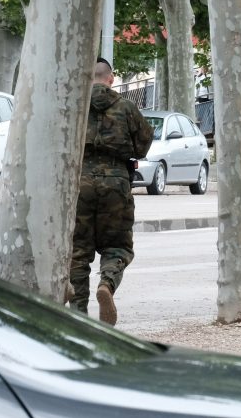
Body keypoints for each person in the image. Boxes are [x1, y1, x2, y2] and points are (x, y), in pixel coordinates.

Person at [69, 57, 153, 325]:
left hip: (79, 183)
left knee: (77, 252)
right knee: (117, 246)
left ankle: (78, 314)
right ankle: (107, 283)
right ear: (111, 78)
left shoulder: (73, 109)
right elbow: (143, 145)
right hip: (116, 182)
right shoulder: (126, 107)